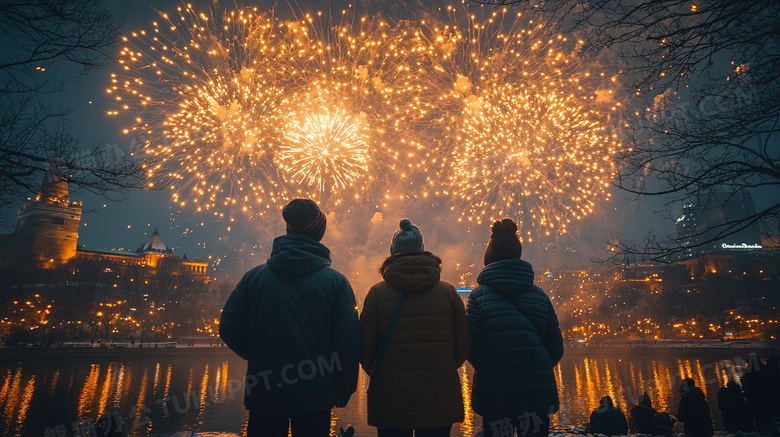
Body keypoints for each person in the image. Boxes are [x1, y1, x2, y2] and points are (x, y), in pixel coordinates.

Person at [220, 199, 361, 437]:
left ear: (287, 230)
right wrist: (344, 389)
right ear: (320, 234)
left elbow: (229, 326)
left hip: (264, 390)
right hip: (315, 394)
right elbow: (348, 342)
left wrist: (258, 355)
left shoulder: (254, 278)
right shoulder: (337, 283)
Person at [360, 218, 469, 437]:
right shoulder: (448, 293)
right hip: (439, 394)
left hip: (391, 396)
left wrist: (381, 372)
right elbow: (463, 346)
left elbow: (364, 350)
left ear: (392, 252)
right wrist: (443, 368)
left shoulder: (377, 294)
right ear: (422, 250)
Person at [466, 219, 564, 437]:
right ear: (518, 254)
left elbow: (470, 347)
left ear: (489, 257)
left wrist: (487, 366)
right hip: (537, 395)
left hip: (495, 394)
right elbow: (556, 348)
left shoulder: (477, 298)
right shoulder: (540, 297)